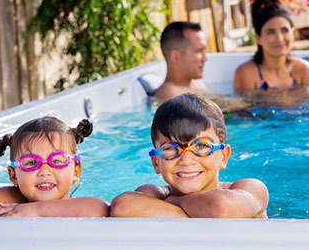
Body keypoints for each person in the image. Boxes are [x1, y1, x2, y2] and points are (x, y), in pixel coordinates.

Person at [110, 93, 268, 218]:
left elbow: (221, 209)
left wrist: (177, 201)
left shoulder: (249, 188)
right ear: (156, 162)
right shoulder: (156, 194)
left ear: (224, 156)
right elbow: (122, 206)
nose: (186, 160)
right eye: (171, 149)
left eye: (202, 146)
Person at [0, 116, 109, 217]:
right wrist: (11, 213)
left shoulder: (76, 206)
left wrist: (36, 210)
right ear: (13, 176)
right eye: (31, 162)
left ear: (76, 171)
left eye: (57, 161)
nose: (44, 171)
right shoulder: (12, 199)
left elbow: (100, 208)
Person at [233, 0, 309, 93]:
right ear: (258, 38)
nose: (279, 38)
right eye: (270, 32)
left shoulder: (302, 70)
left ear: (293, 33)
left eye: (284, 30)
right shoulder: (247, 74)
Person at [153, 21, 209, 101]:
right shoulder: (170, 96)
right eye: (199, 51)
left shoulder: (196, 84)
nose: (205, 59)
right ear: (176, 56)